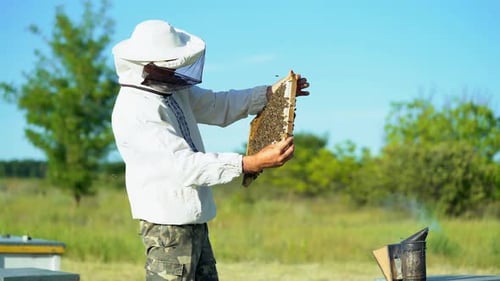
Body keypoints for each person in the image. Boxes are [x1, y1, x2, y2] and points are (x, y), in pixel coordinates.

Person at [111, 19, 310, 281]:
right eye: (168, 66)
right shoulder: (136, 110)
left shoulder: (170, 91)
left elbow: (217, 104)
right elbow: (183, 167)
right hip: (168, 228)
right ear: (147, 65)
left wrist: (269, 94)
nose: (175, 72)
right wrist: (248, 163)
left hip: (194, 222)